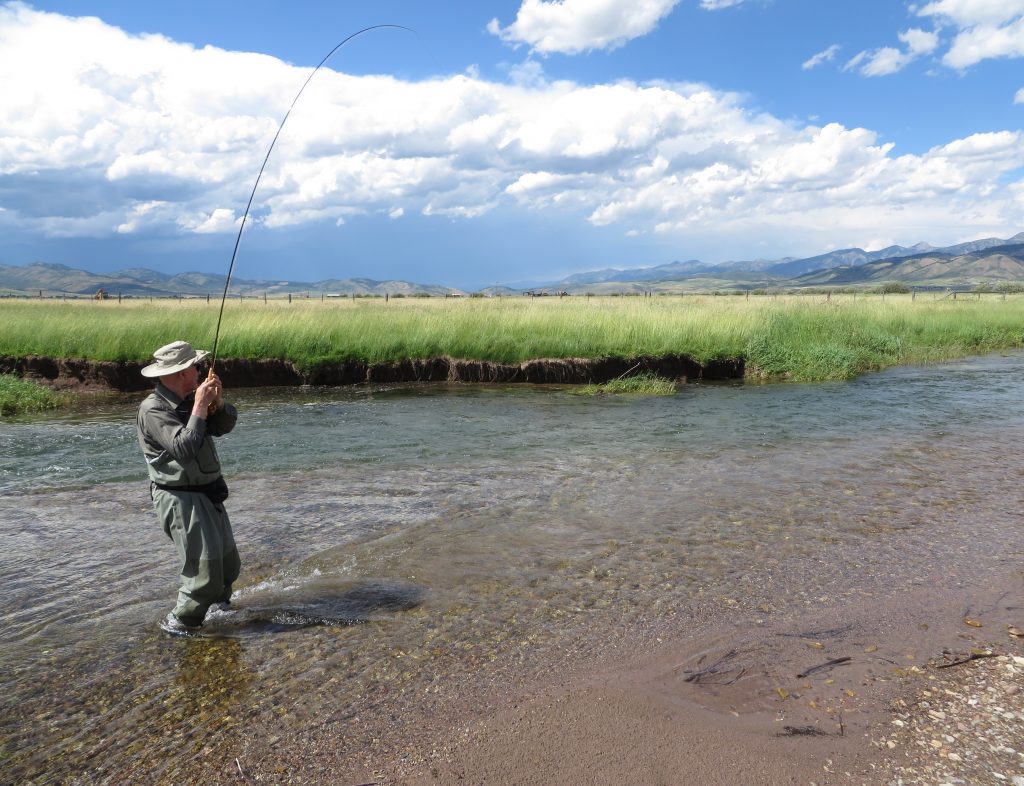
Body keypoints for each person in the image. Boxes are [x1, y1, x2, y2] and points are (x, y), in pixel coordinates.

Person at [136, 340, 240, 634]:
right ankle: (180, 625)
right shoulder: (152, 410)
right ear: (181, 372)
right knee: (203, 575)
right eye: (194, 366)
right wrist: (199, 406)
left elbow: (223, 427)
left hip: (208, 493)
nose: (199, 371)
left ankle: (219, 615)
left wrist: (216, 403)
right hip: (180, 500)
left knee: (228, 566)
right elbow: (184, 447)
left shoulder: (191, 399)